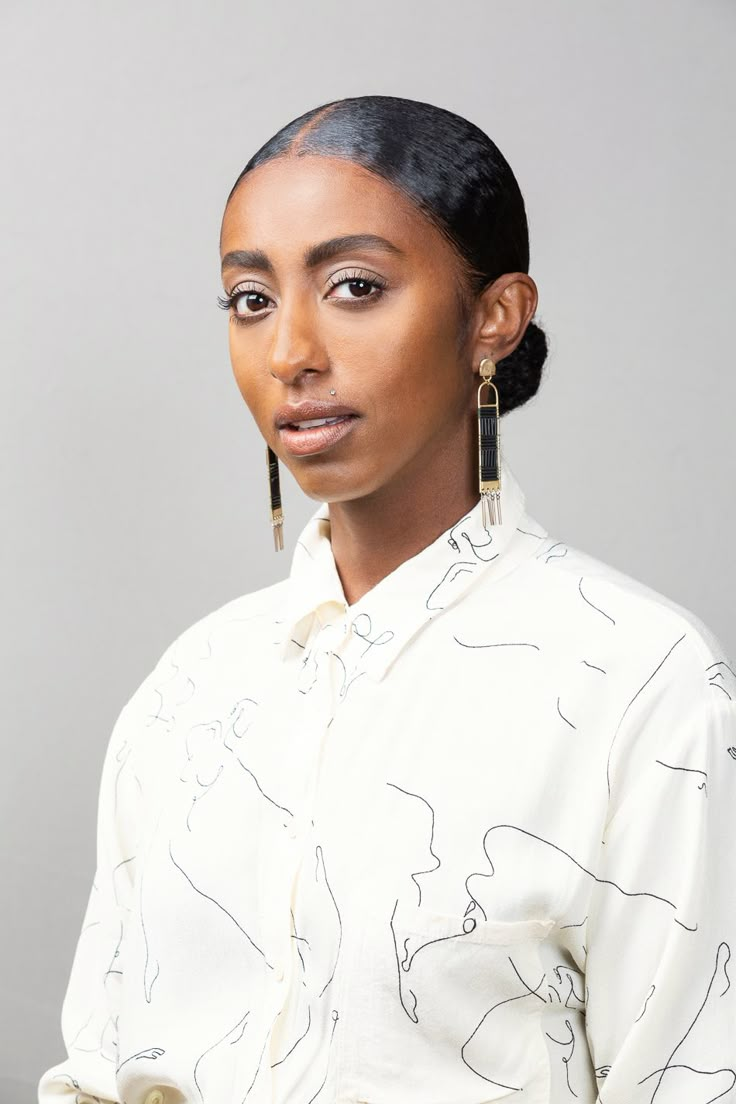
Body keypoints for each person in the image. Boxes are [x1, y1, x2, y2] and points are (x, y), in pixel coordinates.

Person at [39, 94, 735, 1104]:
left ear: (494, 316)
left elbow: (693, 1076)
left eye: (355, 286)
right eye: (251, 299)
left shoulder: (638, 684)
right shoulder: (192, 687)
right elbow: (99, 1068)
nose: (291, 354)